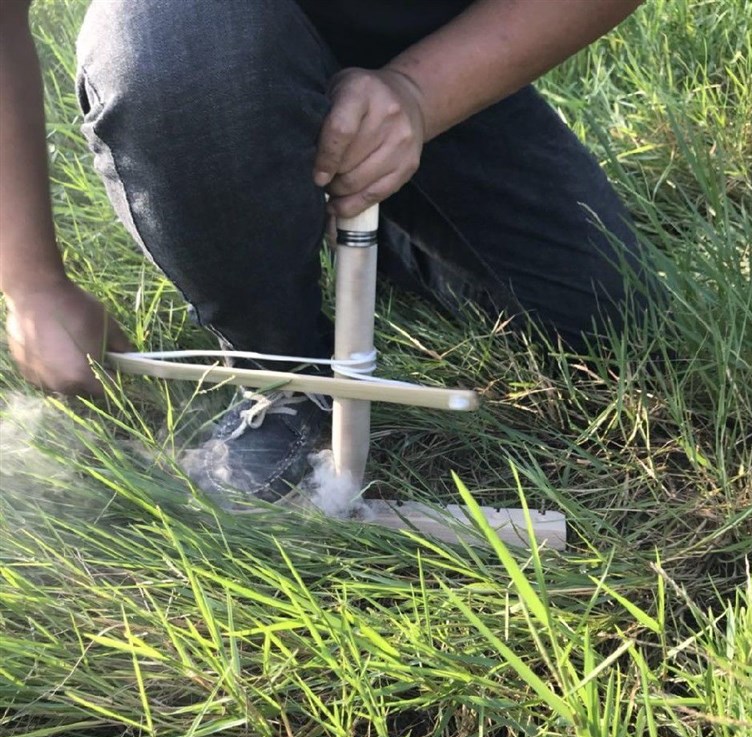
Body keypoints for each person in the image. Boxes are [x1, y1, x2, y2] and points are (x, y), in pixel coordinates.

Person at [1, 0, 647, 501]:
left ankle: (353, 214)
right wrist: (32, 283)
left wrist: (419, 97)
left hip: (431, 47)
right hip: (200, 46)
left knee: (598, 311)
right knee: (174, 50)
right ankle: (282, 372)